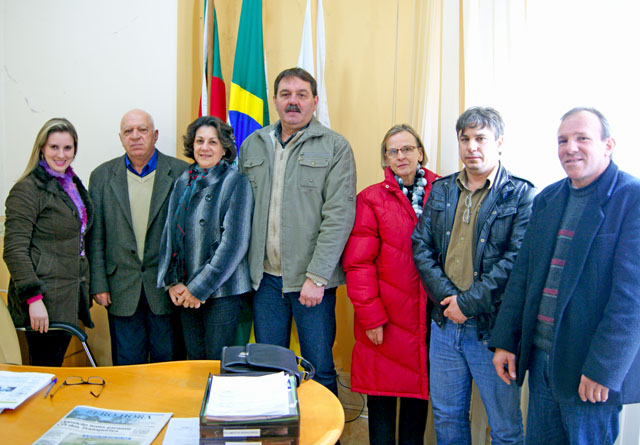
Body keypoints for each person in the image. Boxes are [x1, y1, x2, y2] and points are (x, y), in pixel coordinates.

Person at [490, 108, 640, 444]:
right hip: (541, 362)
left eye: (582, 138)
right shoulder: (548, 199)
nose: (570, 147)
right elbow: (523, 278)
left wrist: (603, 369)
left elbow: (631, 301)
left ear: (608, 144)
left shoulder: (632, 198)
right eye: (563, 140)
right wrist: (505, 341)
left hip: (588, 370)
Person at [412, 107, 535, 444]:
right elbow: (420, 246)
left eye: (480, 138)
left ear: (499, 143)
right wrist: (449, 299)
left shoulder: (521, 194)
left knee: (506, 427)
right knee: (447, 419)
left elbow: (515, 262)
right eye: (465, 139)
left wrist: (467, 303)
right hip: (445, 324)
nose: (471, 147)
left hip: (492, 330)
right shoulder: (441, 190)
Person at [238, 67, 356, 395]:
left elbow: (339, 216)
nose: (293, 102)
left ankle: (326, 439)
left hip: (311, 284)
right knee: (268, 370)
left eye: (302, 95)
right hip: (265, 282)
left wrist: (317, 277)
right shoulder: (252, 145)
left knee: (318, 370)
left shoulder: (335, 147)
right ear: (275, 101)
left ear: (315, 101)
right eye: (286, 95)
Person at [342, 124, 439, 445]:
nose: (401, 156)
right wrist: (371, 317)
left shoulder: (444, 191)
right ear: (385, 158)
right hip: (384, 320)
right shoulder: (370, 199)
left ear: (420, 153)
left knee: (417, 400)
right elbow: (358, 265)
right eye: (393, 151)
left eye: (407, 149)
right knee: (382, 402)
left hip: (428, 321)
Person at [88, 109, 188, 365]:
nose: (135, 137)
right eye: (128, 131)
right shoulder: (101, 176)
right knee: (127, 366)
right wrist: (98, 283)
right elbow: (96, 235)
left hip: (167, 289)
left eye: (142, 130)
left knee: (168, 365)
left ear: (154, 135)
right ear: (120, 138)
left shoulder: (180, 172)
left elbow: (188, 235)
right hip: (120, 287)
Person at [157, 116, 253, 360]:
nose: (205, 147)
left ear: (224, 148)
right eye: (199, 141)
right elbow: (169, 233)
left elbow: (234, 244)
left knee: (216, 365)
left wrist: (198, 289)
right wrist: (174, 282)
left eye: (213, 142)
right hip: (185, 291)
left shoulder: (236, 182)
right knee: (194, 362)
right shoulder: (183, 180)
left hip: (221, 292)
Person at [4, 118, 93, 366]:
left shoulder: (72, 184)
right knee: (44, 373)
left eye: (68, 148)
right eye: (54, 147)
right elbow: (14, 250)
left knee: (55, 371)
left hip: (67, 297)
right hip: (41, 303)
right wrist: (34, 300)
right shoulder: (28, 189)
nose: (61, 154)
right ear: (42, 148)